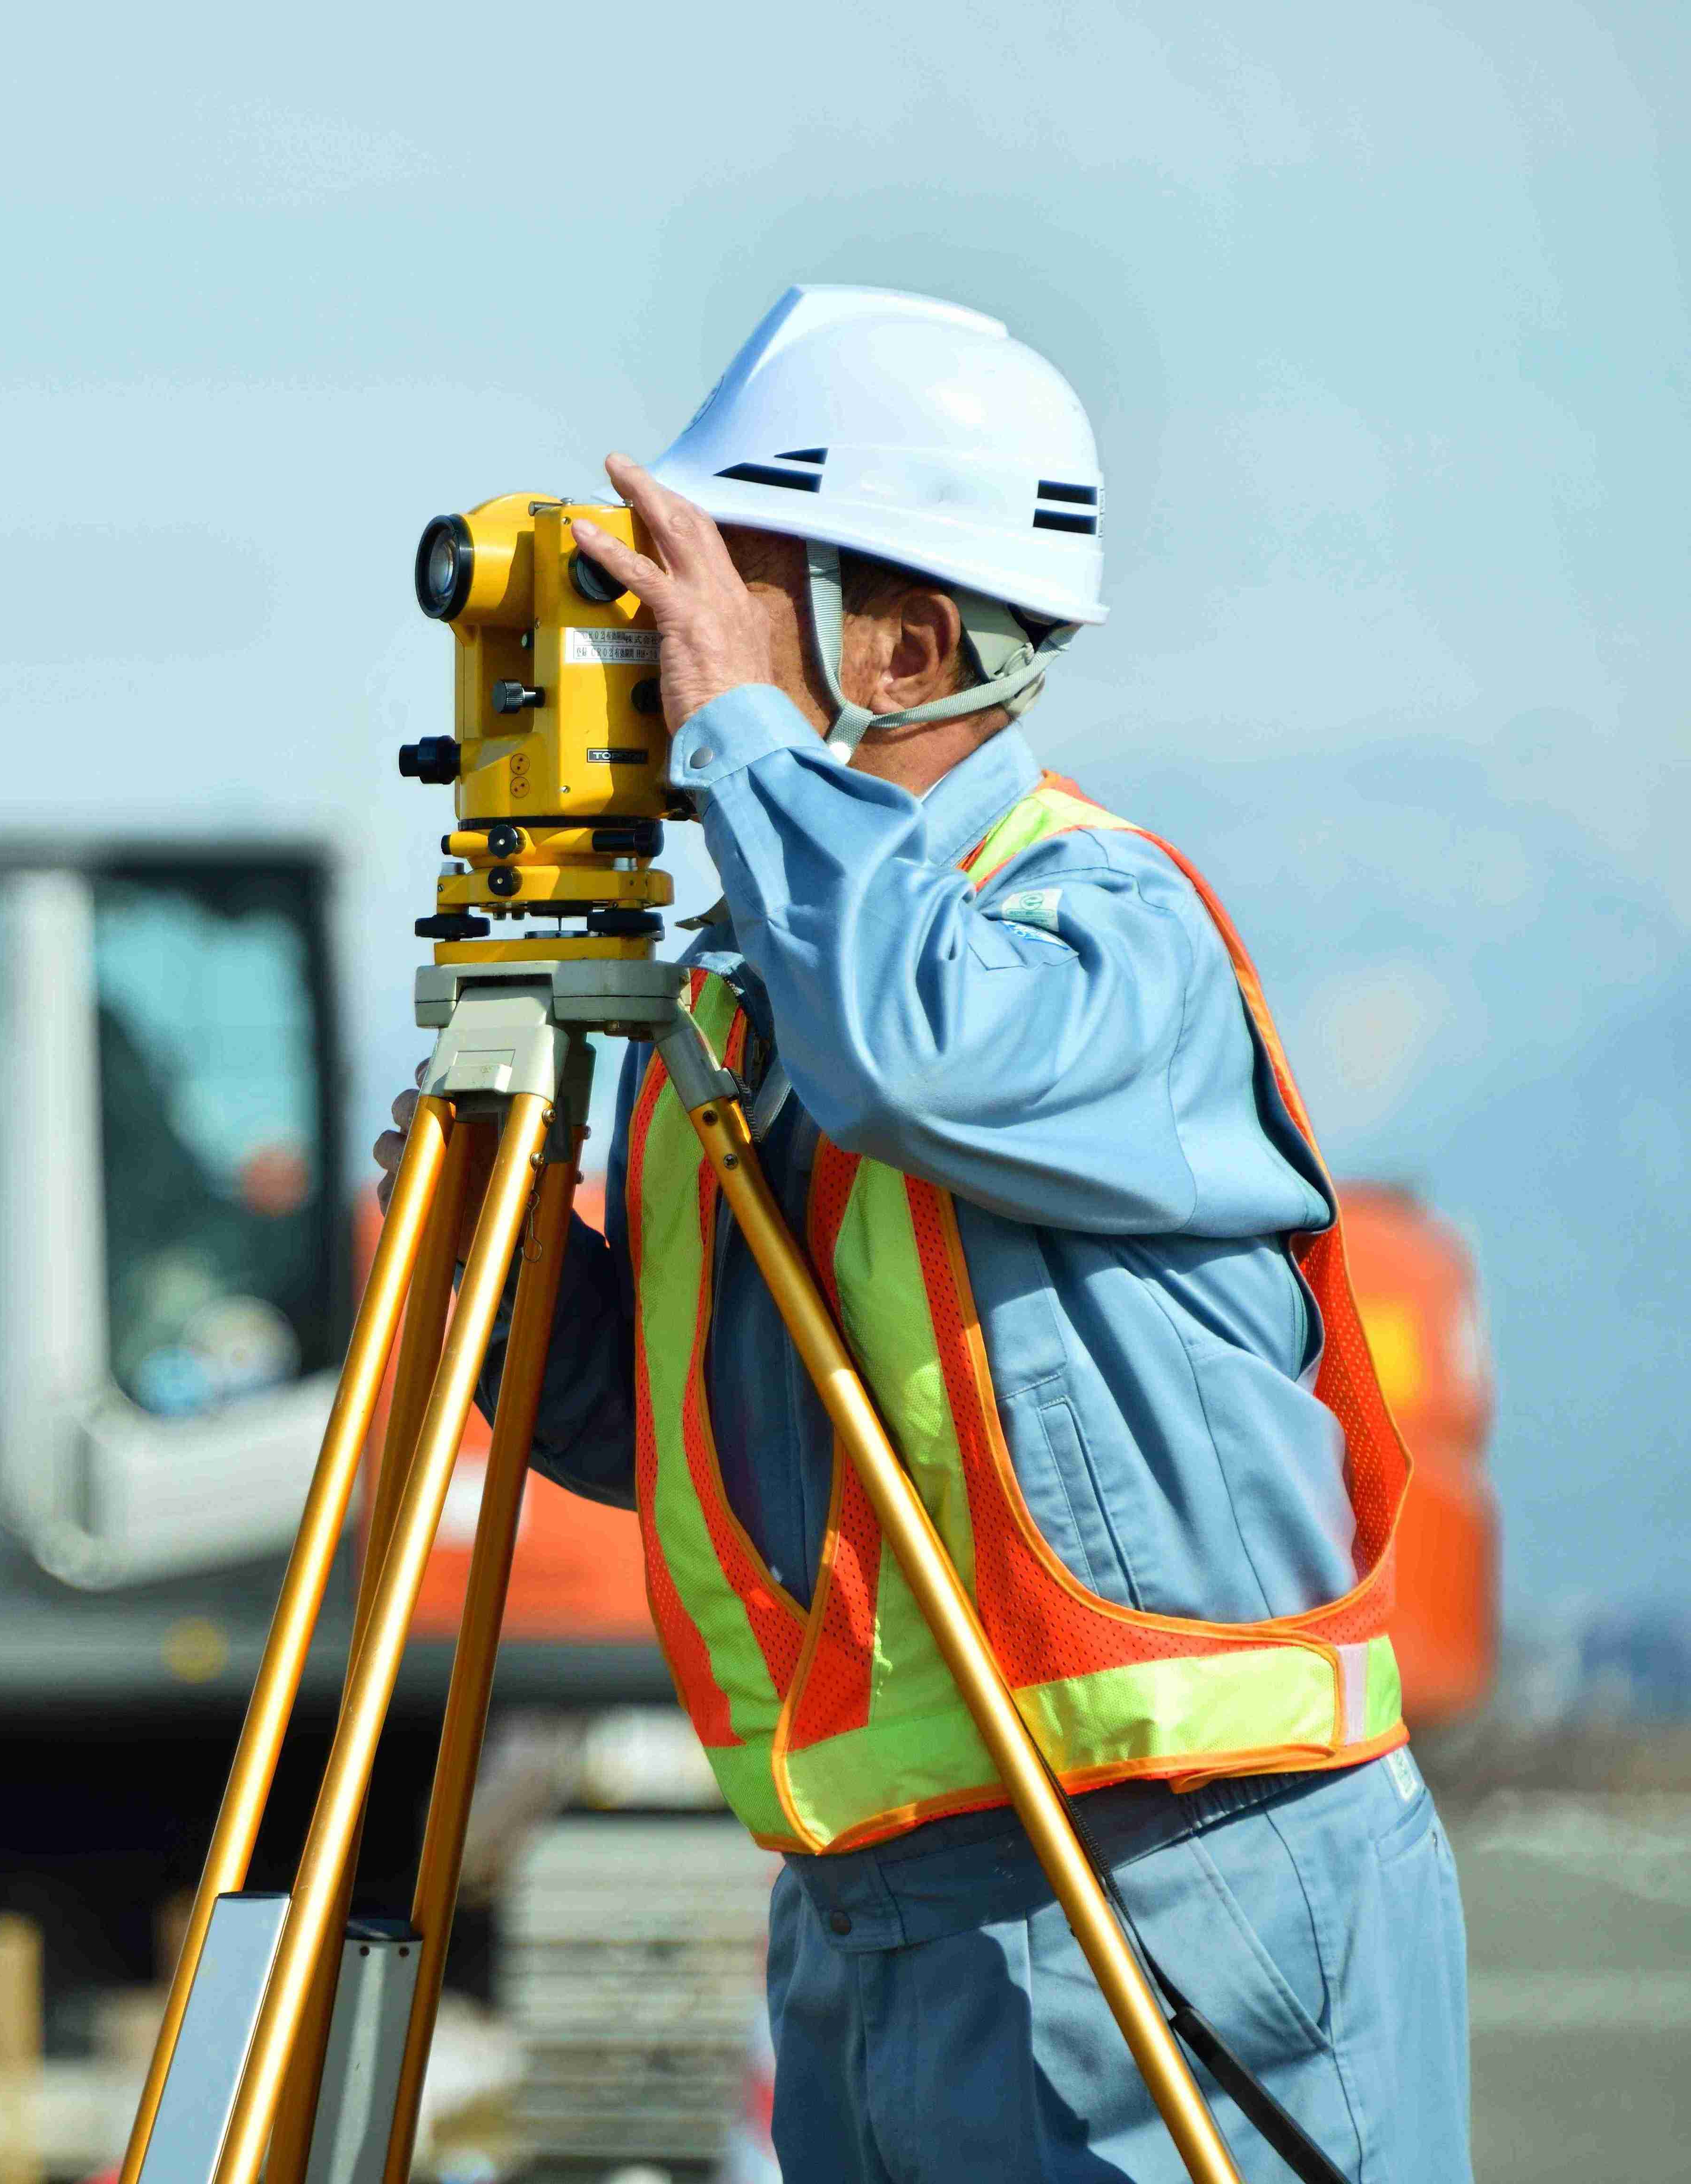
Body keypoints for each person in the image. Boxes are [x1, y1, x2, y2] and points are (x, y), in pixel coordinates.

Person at [375, 288, 1470, 2181]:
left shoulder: (1100, 933)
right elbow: (684, 1444)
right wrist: (484, 1264)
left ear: (904, 642)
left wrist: (738, 749)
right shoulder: (743, 1012)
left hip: (1184, 1899)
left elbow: (920, 1047)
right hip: (887, 1924)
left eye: (727, 589)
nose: (665, 637)